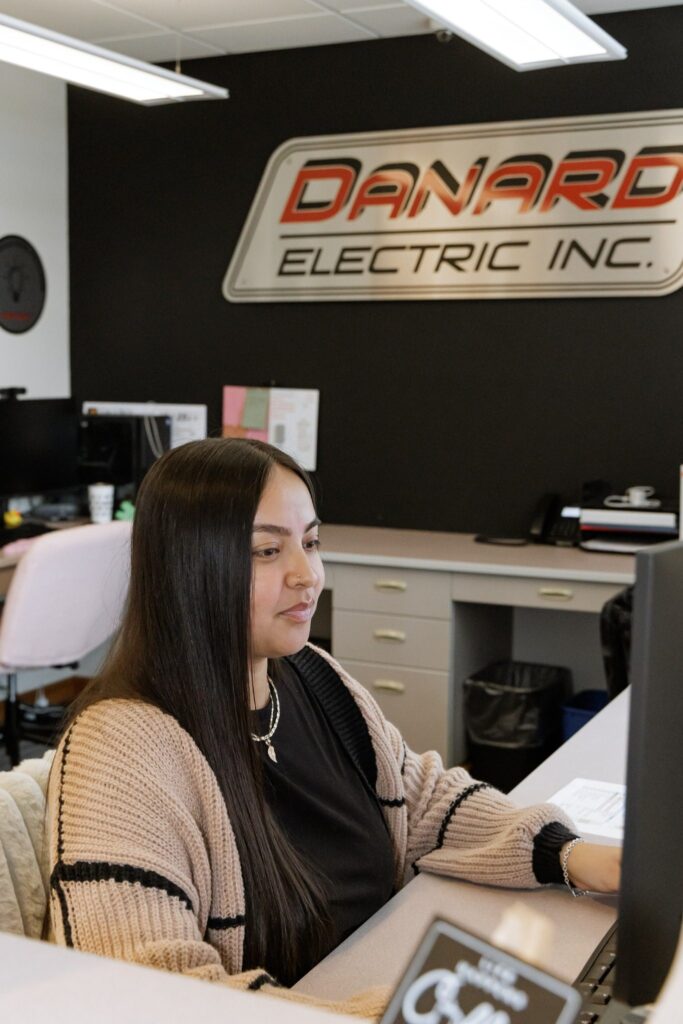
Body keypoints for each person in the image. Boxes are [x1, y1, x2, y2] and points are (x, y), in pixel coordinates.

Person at [47, 438, 620, 1007]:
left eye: (311, 542)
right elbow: (144, 995)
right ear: (187, 568)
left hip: (377, 978)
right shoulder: (120, 751)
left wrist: (571, 856)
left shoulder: (309, 675)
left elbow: (421, 802)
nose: (308, 574)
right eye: (266, 552)